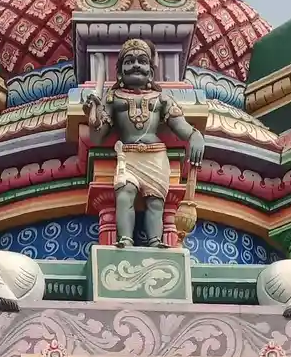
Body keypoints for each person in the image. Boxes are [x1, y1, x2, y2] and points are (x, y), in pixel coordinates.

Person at [83, 37, 204, 248]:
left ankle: (156, 241)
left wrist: (195, 136)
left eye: (142, 61)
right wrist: (93, 115)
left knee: (156, 202)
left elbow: (180, 126)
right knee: (124, 196)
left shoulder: (161, 99)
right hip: (127, 155)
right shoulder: (114, 98)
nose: (136, 65)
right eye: (129, 62)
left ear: (151, 70)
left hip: (155, 155)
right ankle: (125, 240)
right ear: (120, 71)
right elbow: (97, 137)